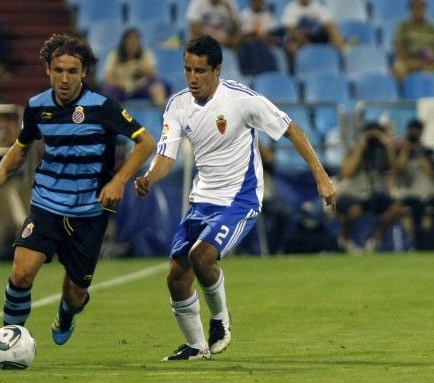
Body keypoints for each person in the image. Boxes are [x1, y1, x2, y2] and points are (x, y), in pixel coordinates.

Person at [0, 33, 155, 368]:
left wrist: (118, 181)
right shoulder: (36, 108)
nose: (65, 78)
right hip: (47, 205)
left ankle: (66, 315)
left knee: (75, 295)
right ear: (48, 70)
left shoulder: (103, 107)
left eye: (73, 71)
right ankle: (8, 342)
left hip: (89, 213)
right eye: (59, 70)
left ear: (83, 74)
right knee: (21, 274)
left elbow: (146, 143)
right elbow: (20, 151)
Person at [134, 35, 335, 361]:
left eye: (200, 70)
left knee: (202, 257)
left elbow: (292, 130)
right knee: (176, 277)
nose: (192, 78)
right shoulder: (178, 105)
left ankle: (220, 320)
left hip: (239, 200)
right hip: (201, 201)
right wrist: (148, 178)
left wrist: (322, 178)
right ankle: (197, 347)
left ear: (217, 70)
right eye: (187, 70)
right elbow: (166, 156)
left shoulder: (243, 100)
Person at [335, 122, 402, 253]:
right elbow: (347, 173)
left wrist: (387, 144)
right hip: (351, 194)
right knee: (355, 210)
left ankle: (375, 240)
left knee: (396, 208)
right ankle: (344, 239)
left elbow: (397, 170)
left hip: (372, 194)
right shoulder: (354, 150)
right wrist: (361, 146)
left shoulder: (382, 151)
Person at [392, 119, 434, 250]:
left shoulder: (427, 152)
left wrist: (419, 152)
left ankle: (425, 243)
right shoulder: (401, 152)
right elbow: (398, 171)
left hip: (426, 194)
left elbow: (431, 174)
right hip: (408, 194)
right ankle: (413, 244)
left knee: (427, 217)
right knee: (406, 212)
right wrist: (405, 150)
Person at [102, 28, 170, 108]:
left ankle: (163, 115)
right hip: (121, 88)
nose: (133, 45)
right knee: (108, 91)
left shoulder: (146, 54)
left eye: (135, 42)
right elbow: (108, 76)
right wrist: (121, 84)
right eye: (130, 42)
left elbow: (152, 73)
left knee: (158, 88)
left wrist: (139, 67)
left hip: (141, 86)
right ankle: (112, 118)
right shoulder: (114, 55)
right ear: (124, 43)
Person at [281, 0, 344, 69]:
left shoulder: (318, 6)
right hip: (300, 41)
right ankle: (299, 72)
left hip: (318, 39)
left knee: (333, 32)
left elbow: (330, 25)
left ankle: (340, 59)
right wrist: (309, 46)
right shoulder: (291, 8)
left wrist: (338, 43)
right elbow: (291, 30)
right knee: (291, 47)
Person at [392, 0, 434, 80]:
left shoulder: (431, 27)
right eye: (416, 7)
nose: (419, 10)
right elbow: (399, 48)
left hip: (429, 62)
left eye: (422, 7)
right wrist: (410, 62)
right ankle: (405, 91)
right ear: (410, 9)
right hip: (410, 62)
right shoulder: (403, 26)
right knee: (398, 68)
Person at [237, 0, 280, 76]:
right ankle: (257, 74)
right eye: (255, 1)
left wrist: (263, 37)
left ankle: (269, 74)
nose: (258, 3)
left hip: (265, 46)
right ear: (251, 2)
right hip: (248, 48)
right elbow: (242, 37)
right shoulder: (243, 15)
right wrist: (255, 35)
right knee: (253, 45)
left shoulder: (268, 15)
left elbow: (272, 36)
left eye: (260, 1)